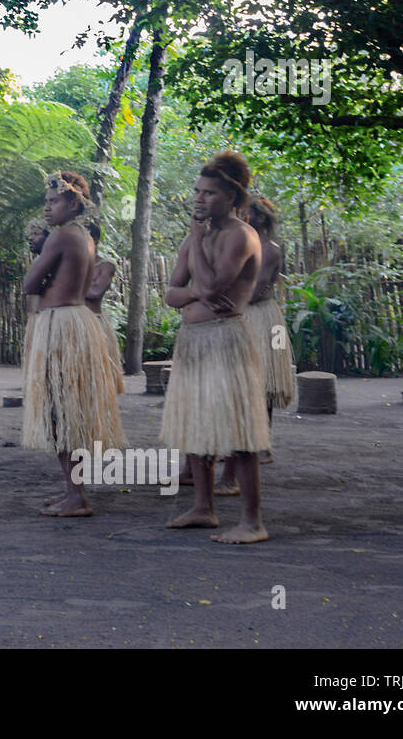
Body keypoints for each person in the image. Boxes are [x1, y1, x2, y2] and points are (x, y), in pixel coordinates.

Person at [161, 151, 270, 544]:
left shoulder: (241, 236)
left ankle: (253, 521)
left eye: (209, 193)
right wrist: (192, 291)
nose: (199, 199)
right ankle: (203, 508)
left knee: (238, 432)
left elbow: (209, 288)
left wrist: (195, 244)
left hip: (226, 339)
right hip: (193, 342)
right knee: (195, 424)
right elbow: (170, 294)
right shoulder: (200, 237)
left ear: (232, 197)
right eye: (197, 191)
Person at [21, 172, 125, 517]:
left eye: (53, 202)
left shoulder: (63, 236)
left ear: (73, 203)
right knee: (66, 411)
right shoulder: (83, 237)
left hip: (61, 325)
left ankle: (76, 495)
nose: (47, 209)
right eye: (46, 202)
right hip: (76, 321)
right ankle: (72, 490)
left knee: (61, 411)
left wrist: (41, 261)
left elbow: (29, 284)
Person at [217, 194, 294, 491]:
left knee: (264, 383)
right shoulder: (240, 243)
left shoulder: (270, 249)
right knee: (240, 384)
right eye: (242, 212)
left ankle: (262, 444)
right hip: (241, 313)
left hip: (261, 316)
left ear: (262, 218)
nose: (245, 217)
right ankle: (237, 446)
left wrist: (225, 298)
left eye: (250, 213)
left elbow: (256, 285)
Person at [85, 222, 125, 395]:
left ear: (93, 239)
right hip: (71, 324)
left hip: (94, 324)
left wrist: (67, 285)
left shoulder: (106, 265)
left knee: (96, 376)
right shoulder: (67, 264)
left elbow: (96, 292)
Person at [21, 220, 48, 384]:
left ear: (48, 237)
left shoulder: (50, 260)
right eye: (31, 234)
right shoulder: (40, 260)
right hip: (36, 319)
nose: (31, 238)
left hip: (45, 319)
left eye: (36, 234)